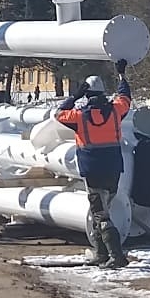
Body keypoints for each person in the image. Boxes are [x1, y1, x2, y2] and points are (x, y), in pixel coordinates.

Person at [56, 63, 132, 268]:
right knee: (100, 208)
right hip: (114, 168)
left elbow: (59, 113)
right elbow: (125, 97)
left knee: (100, 212)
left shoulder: (79, 117)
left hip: (92, 169)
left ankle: (116, 255)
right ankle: (101, 254)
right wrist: (121, 75)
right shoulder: (116, 111)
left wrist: (74, 96)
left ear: (86, 94)